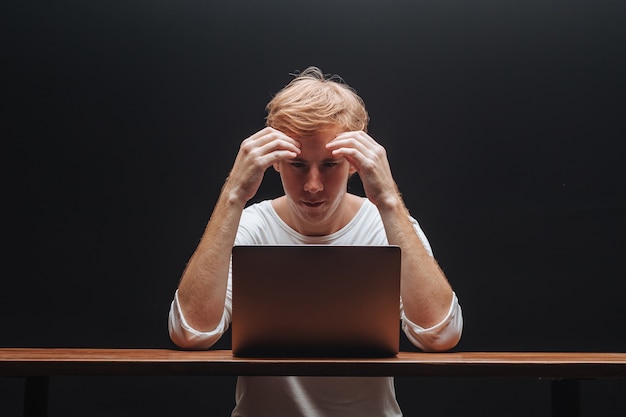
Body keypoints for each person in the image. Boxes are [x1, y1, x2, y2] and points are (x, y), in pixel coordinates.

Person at [168, 66, 463, 417]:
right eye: (296, 164)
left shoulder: (389, 225)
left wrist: (389, 200)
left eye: (329, 164)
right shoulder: (250, 226)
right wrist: (233, 195)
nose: (312, 186)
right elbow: (190, 333)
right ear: (274, 161)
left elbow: (441, 334)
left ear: (355, 163)